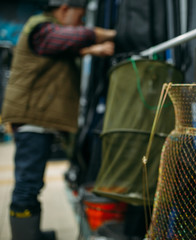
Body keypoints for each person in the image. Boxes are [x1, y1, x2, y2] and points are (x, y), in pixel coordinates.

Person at [1, 0, 117, 239]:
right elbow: (72, 38)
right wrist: (113, 34)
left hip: (36, 119)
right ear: (65, 9)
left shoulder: (45, 33)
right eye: (80, 16)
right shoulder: (43, 28)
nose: (82, 22)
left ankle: (32, 233)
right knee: (28, 184)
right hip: (32, 120)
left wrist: (91, 50)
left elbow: (63, 52)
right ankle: (25, 237)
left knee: (32, 183)